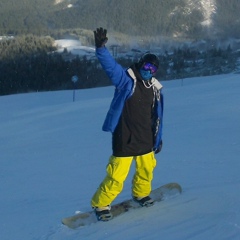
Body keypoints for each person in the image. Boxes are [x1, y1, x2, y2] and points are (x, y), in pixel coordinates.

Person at [91, 27, 164, 221]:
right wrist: (101, 49)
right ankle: (101, 204)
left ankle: (141, 194)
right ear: (141, 64)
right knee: (116, 176)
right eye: (147, 67)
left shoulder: (155, 89)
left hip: (145, 139)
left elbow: (157, 116)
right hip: (125, 137)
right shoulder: (127, 81)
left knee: (146, 169)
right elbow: (111, 68)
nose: (149, 71)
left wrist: (158, 138)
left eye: (153, 69)